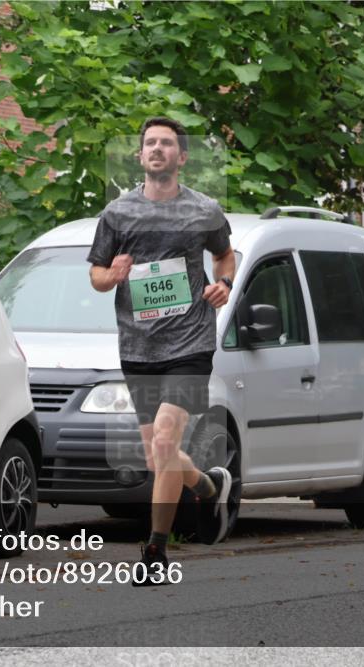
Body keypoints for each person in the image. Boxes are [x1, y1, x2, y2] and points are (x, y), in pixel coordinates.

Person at [87, 116, 237, 586]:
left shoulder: (204, 210)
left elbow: (225, 255)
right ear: (140, 156)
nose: (157, 149)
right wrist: (113, 274)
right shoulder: (117, 214)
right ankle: (208, 485)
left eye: (166, 143)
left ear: (181, 156)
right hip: (138, 343)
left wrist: (224, 284)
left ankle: (155, 551)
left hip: (190, 340)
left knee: (168, 441)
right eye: (150, 143)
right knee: (158, 456)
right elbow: (95, 277)